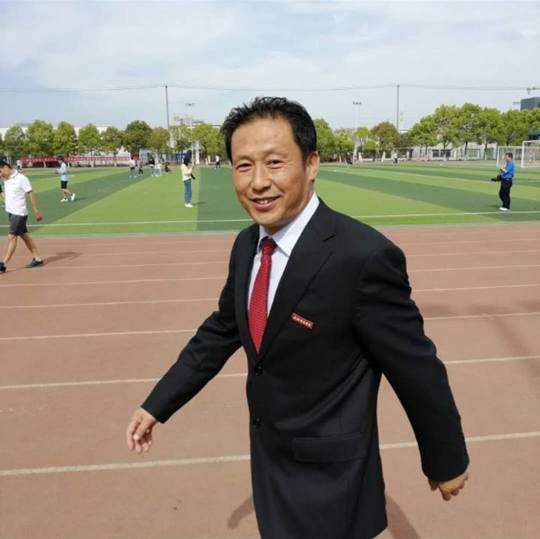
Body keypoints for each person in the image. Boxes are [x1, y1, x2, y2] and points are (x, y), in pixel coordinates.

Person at [126, 98, 469, 539]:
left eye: (274, 163)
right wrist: (158, 403)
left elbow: (416, 367)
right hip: (269, 461)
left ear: (311, 164)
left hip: (331, 478)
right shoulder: (247, 245)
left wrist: (446, 460)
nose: (258, 182)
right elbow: (222, 329)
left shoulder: (361, 256)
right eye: (244, 166)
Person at [0, 159, 44, 273]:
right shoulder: (5, 178)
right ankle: (37, 259)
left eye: (0, 171)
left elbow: (30, 192)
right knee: (24, 236)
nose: (0, 174)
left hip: (19, 213)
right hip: (11, 212)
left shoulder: (21, 178)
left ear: (5, 167)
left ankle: (3, 263)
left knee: (12, 236)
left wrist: (35, 210)